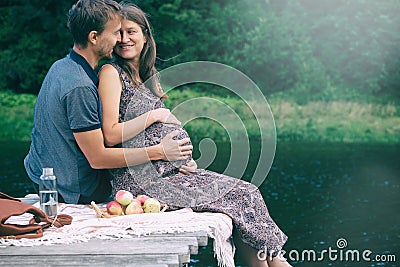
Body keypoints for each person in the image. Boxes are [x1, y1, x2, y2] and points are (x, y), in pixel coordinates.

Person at [98, 3, 291, 267]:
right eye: (118, 33)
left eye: (131, 31)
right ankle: (278, 263)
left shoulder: (145, 76)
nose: (124, 39)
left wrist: (180, 159)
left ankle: (270, 263)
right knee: (244, 194)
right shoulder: (111, 73)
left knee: (245, 197)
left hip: (168, 172)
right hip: (141, 182)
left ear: (145, 35)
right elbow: (110, 135)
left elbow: (161, 126)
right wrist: (154, 116)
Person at [23, 0, 193, 205]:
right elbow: (98, 157)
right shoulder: (80, 87)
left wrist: (172, 161)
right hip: (75, 189)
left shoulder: (62, 66)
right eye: (115, 33)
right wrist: (160, 153)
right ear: (94, 37)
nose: (119, 40)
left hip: (47, 175)